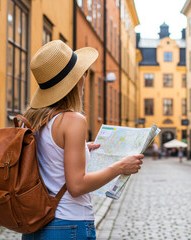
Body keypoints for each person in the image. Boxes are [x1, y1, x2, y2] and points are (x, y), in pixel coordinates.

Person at [21, 40, 144, 240]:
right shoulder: (73, 120)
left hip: (37, 226)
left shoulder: (36, 118)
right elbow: (76, 186)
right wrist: (120, 167)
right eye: (83, 73)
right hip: (68, 224)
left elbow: (50, 156)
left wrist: (81, 149)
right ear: (75, 80)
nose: (85, 79)